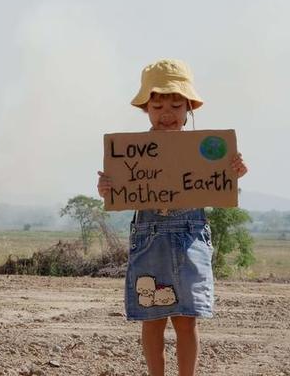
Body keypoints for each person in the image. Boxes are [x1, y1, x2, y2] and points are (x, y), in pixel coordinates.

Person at [96, 59, 247, 376]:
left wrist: (234, 171)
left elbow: (219, 184)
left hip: (191, 238)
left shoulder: (207, 150)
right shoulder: (131, 152)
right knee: (152, 320)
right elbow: (121, 192)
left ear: (188, 108)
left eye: (176, 104)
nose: (167, 112)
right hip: (150, 241)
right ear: (146, 110)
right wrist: (108, 186)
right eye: (158, 104)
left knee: (186, 318)